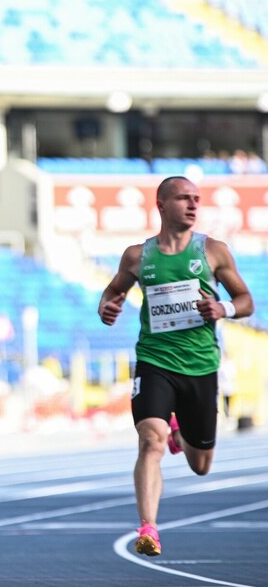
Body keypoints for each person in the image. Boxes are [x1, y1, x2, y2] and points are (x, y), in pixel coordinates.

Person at [98, 175, 253, 557]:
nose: (193, 204)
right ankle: (148, 528)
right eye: (184, 198)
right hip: (155, 359)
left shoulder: (213, 251)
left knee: (200, 464)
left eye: (196, 198)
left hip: (200, 365)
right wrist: (107, 305)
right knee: (150, 440)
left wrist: (222, 308)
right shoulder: (138, 256)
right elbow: (114, 290)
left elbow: (245, 300)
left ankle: (179, 433)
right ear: (162, 205)